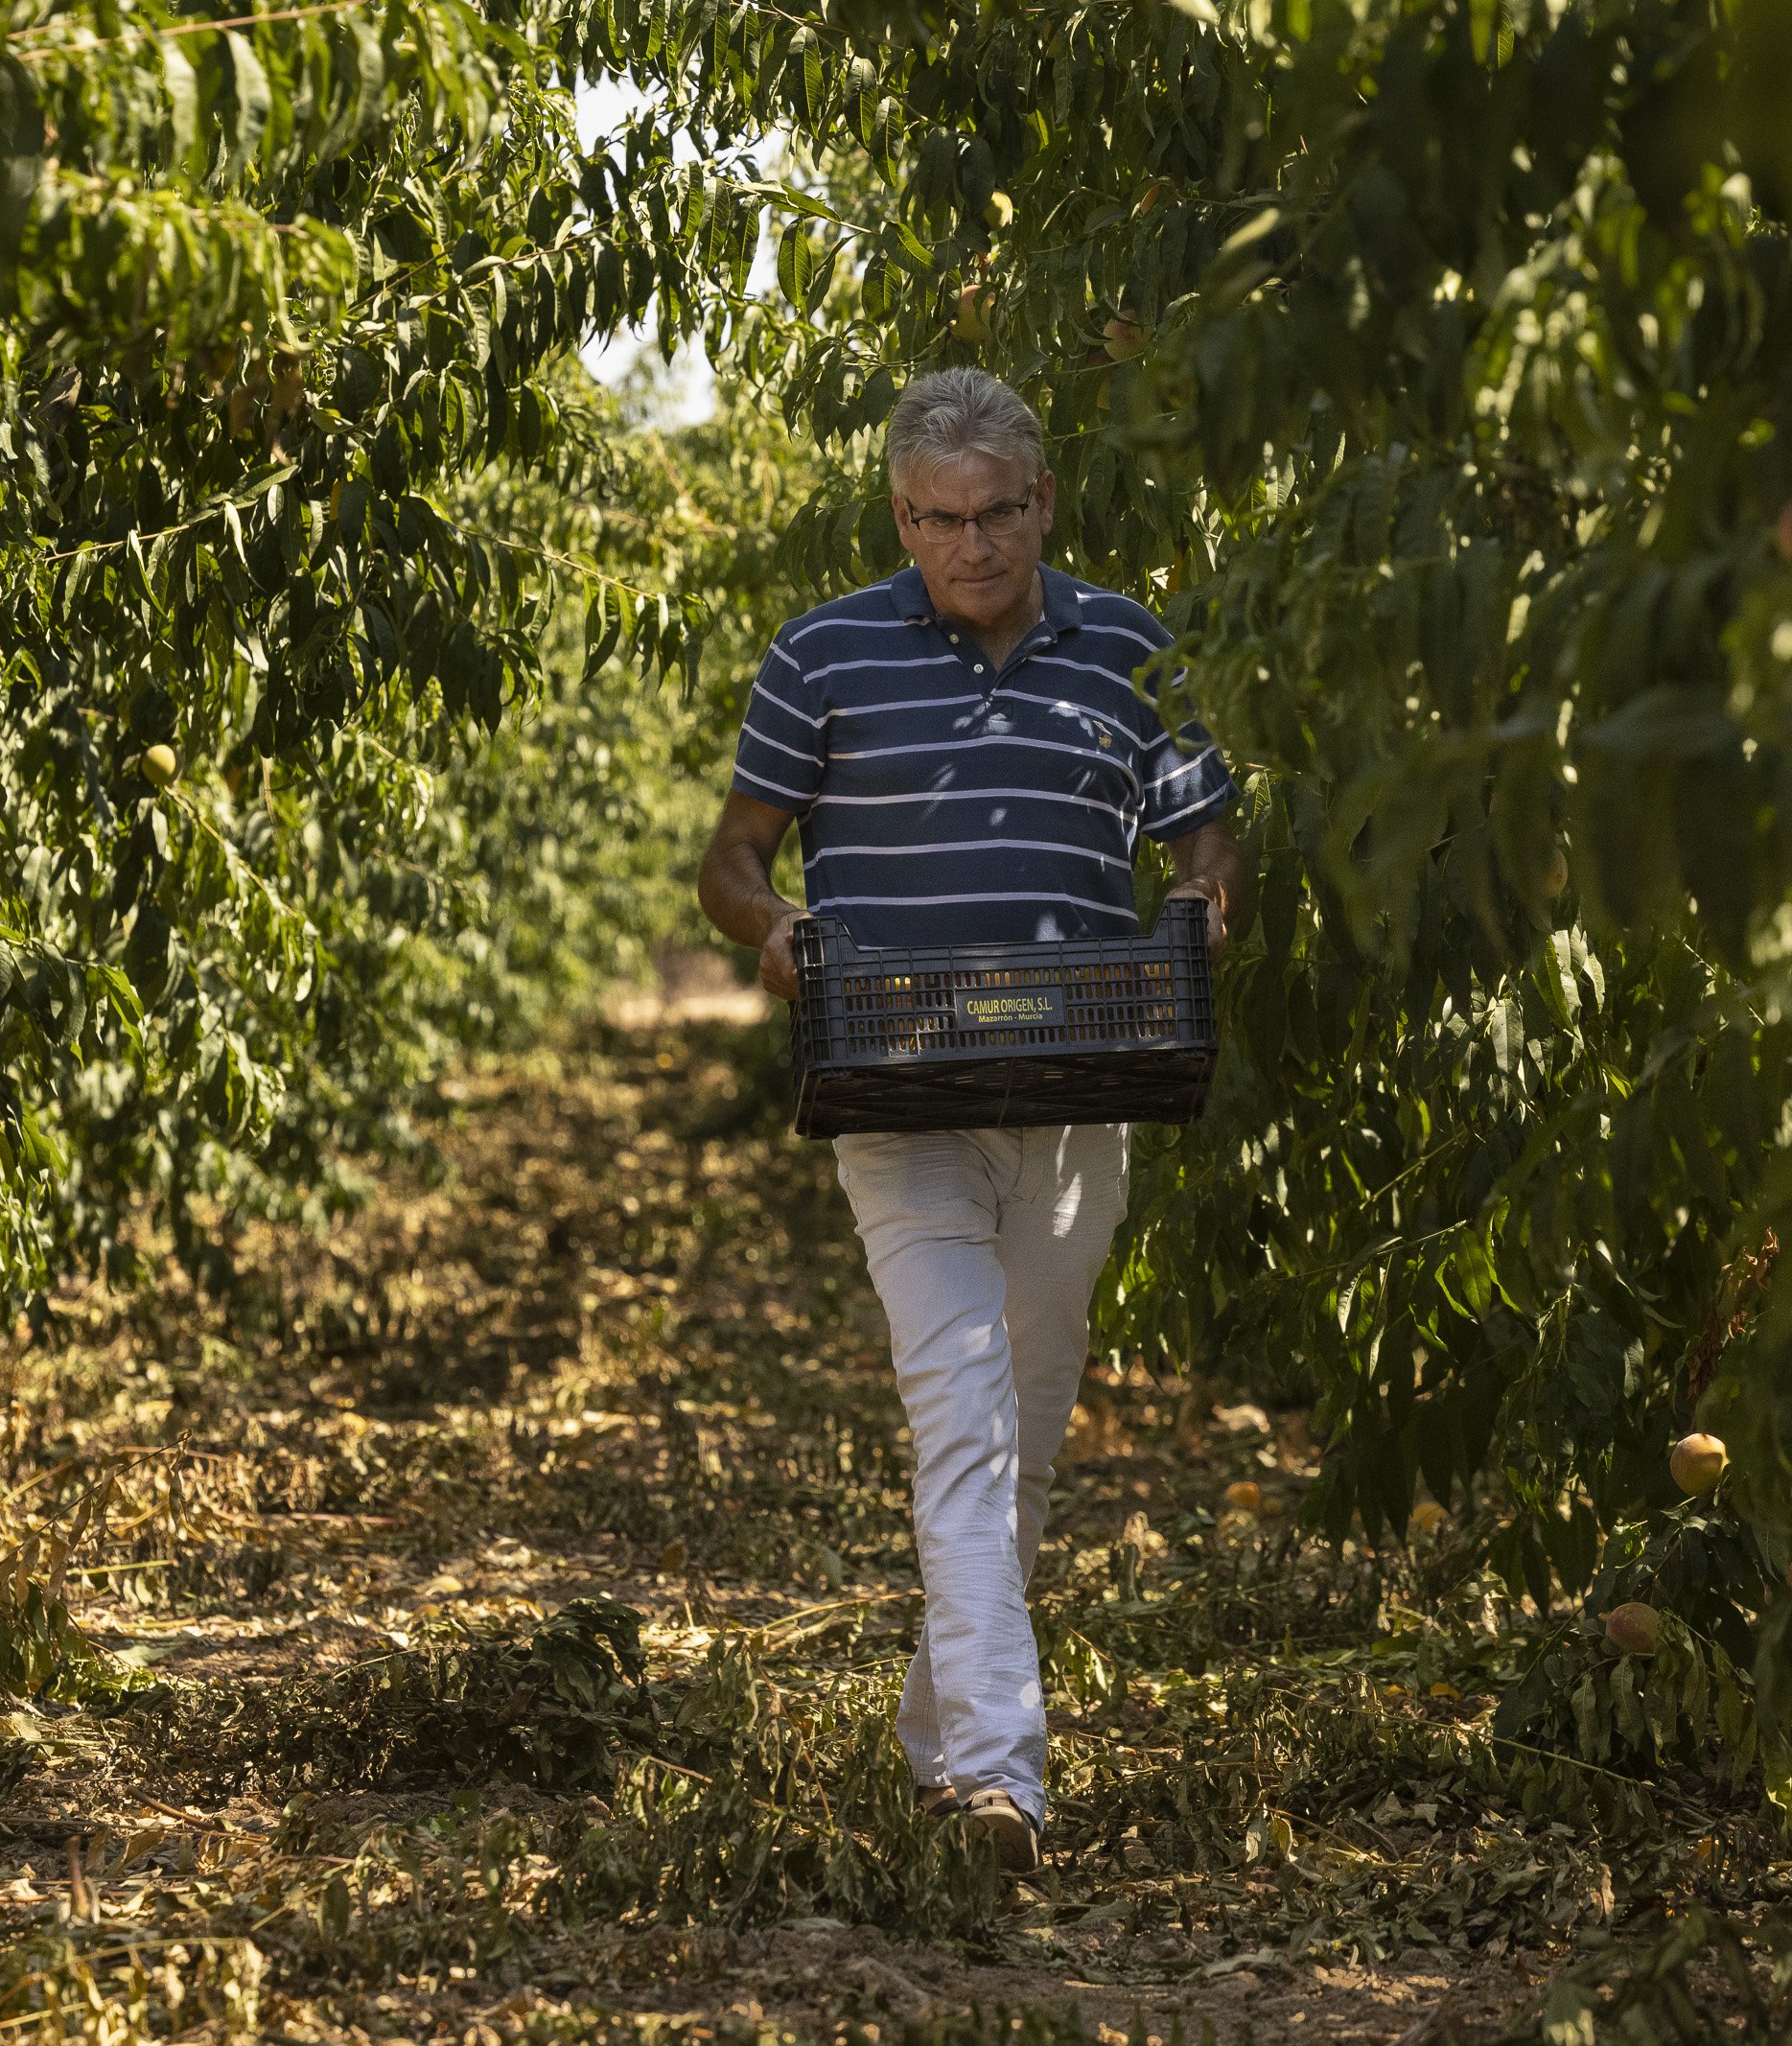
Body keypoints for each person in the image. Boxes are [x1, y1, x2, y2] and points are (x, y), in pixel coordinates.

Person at [695, 367, 1249, 1873]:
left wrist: (1205, 900)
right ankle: (996, 1783)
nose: (973, 546)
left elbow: (1204, 829)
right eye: (940, 520)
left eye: (998, 513)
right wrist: (775, 924)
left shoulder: (1133, 647)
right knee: (962, 1416)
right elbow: (734, 854)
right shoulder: (822, 656)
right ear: (902, 517)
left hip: (1084, 1086)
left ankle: (938, 1728)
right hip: (896, 1082)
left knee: (1031, 1430)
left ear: (1045, 501)